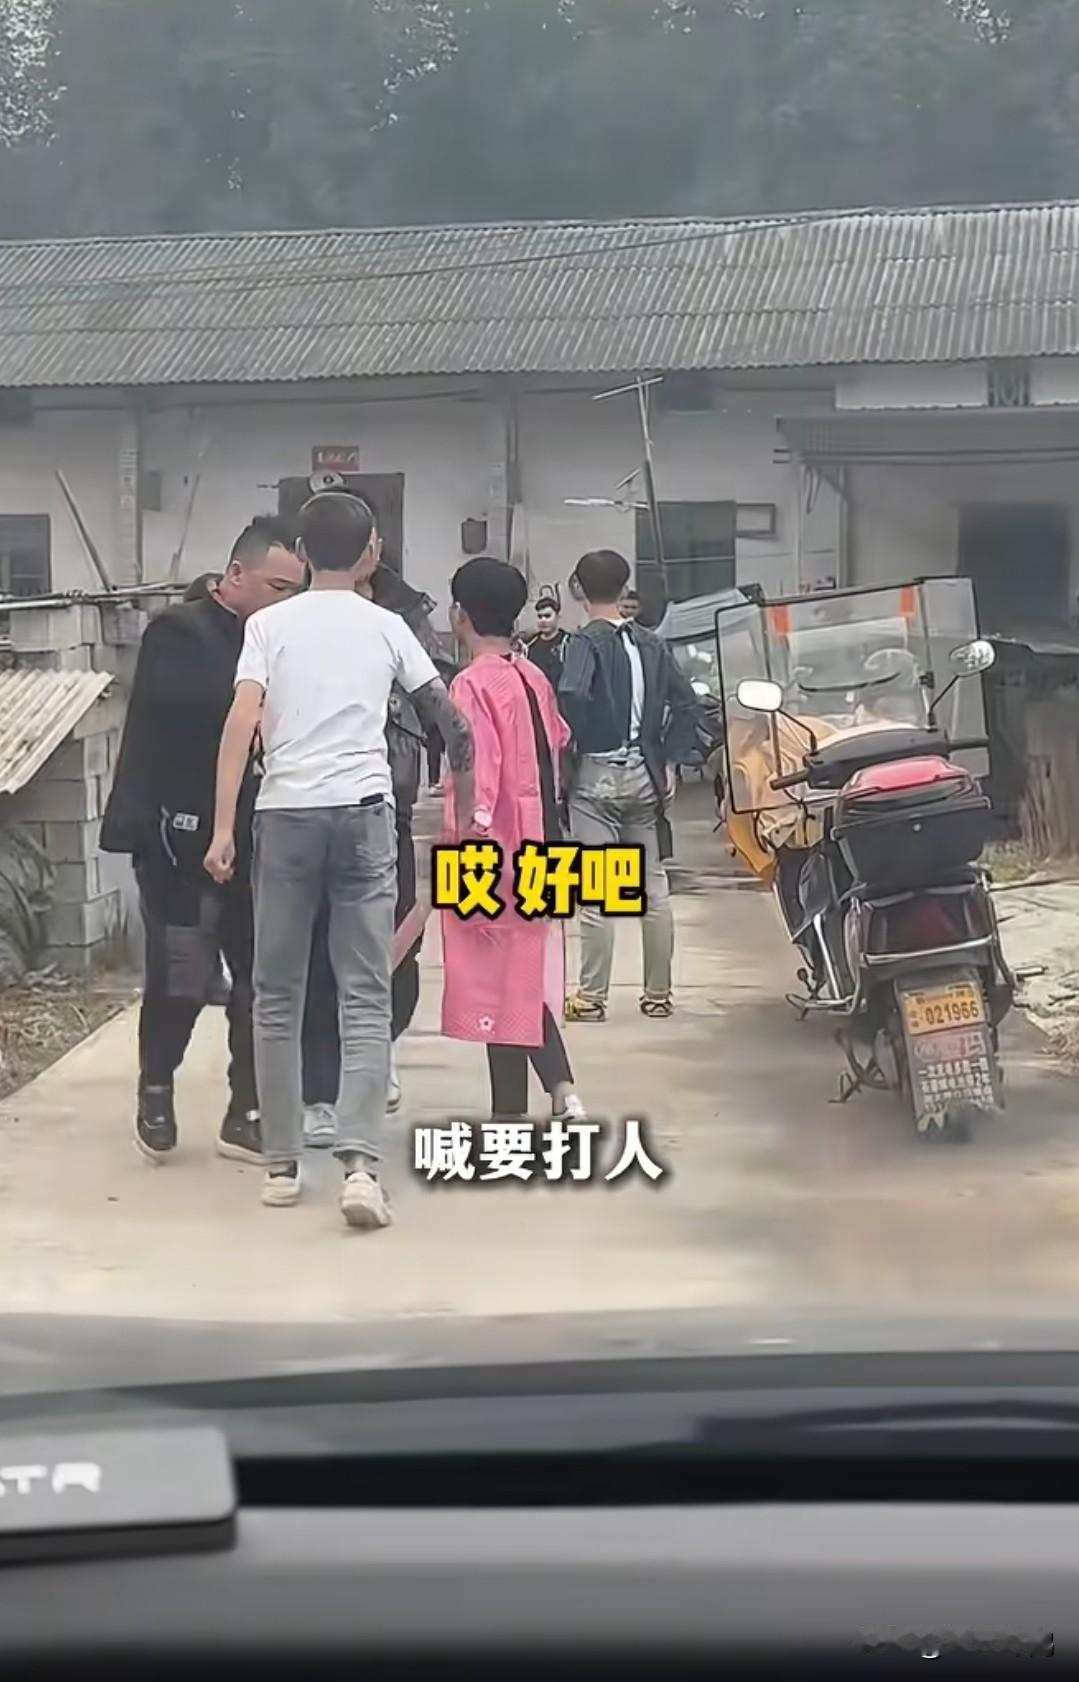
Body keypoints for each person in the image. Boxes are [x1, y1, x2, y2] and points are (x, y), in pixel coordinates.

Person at [205, 491, 474, 1229]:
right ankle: (359, 1167)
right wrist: (470, 808)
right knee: (364, 994)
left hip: (284, 816)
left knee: (276, 993)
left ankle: (282, 1165)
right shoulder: (387, 626)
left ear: (299, 550)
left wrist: (223, 828)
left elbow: (241, 720)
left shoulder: (266, 626)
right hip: (362, 815)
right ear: (371, 552)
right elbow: (450, 722)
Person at [101, 517, 306, 1164]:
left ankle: (245, 1109)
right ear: (235, 575)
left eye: (295, 591)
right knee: (183, 976)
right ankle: (156, 1087)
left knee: (258, 980)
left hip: (257, 835)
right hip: (176, 835)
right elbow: (193, 717)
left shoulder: (276, 639)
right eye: (277, 587)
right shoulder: (179, 632)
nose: (285, 602)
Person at [300, 536, 457, 1144]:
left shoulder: (404, 612)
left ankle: (379, 1054)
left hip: (388, 800)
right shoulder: (295, 615)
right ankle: (318, 1091)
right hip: (308, 803)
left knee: (395, 947)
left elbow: (437, 700)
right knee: (317, 951)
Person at [442, 557, 584, 1123]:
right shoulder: (532, 675)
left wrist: (465, 835)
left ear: (460, 614)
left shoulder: (471, 683)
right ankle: (558, 1091)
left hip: (496, 848)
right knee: (522, 977)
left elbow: (478, 770)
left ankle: (520, 1112)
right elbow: (558, 742)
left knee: (496, 986)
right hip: (545, 840)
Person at [558, 549, 699, 1023]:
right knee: (653, 888)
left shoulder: (584, 642)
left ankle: (591, 998)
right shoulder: (651, 644)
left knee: (599, 891)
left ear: (579, 589)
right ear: (624, 589)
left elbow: (572, 692)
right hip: (645, 774)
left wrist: (577, 740)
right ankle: (658, 994)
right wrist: (670, 761)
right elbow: (687, 705)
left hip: (596, 777)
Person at [525, 590, 570, 688]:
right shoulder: (529, 645)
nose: (543, 620)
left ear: (557, 617)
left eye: (547, 616)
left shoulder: (568, 642)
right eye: (540, 616)